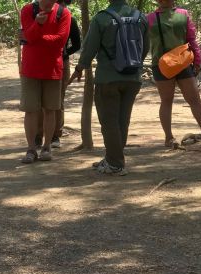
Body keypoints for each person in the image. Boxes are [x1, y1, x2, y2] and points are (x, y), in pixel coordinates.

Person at [69, 0, 148, 175]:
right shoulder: (140, 18)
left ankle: (115, 163)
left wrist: (80, 68)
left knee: (109, 122)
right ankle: (112, 158)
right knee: (122, 120)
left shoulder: (102, 18)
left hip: (108, 78)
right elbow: (145, 48)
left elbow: (90, 48)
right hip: (133, 78)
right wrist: (134, 65)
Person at [147, 0, 201, 147]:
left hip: (161, 64)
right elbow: (191, 40)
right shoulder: (183, 14)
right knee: (194, 100)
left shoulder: (149, 18)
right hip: (182, 62)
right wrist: (197, 61)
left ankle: (169, 138)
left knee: (166, 101)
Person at [19, 0, 71, 163]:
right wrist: (37, 24)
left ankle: (47, 147)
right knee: (31, 110)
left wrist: (35, 38)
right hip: (30, 69)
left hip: (52, 69)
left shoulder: (64, 13)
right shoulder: (28, 10)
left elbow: (61, 40)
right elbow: (28, 35)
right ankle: (31, 148)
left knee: (50, 109)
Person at [36, 0, 80, 149]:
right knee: (39, 100)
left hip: (61, 62)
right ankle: (38, 134)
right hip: (40, 61)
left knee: (57, 101)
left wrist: (65, 53)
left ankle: (55, 135)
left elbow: (77, 44)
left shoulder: (69, 18)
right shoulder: (40, 16)